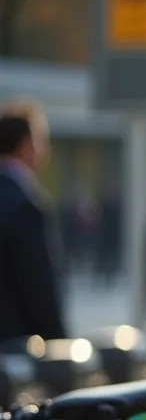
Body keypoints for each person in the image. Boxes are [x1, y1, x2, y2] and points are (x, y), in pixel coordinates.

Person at [0, 101, 66, 348]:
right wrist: (58, 346)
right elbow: (39, 291)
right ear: (27, 145)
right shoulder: (26, 205)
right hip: (16, 350)